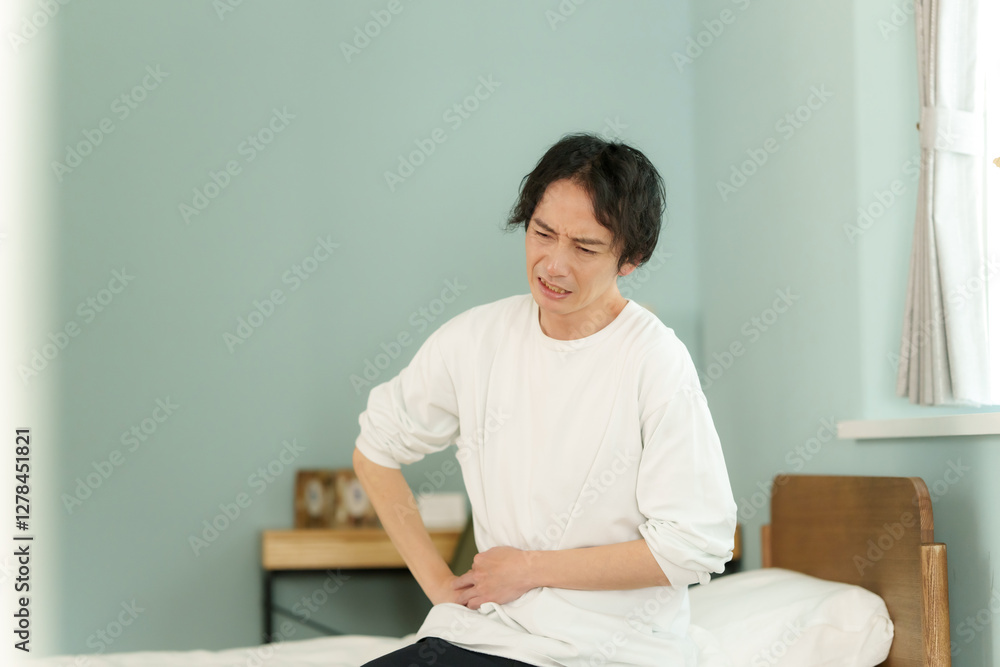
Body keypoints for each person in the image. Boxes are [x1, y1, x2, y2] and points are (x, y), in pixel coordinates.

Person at [355, 133, 737, 667]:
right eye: (542, 233)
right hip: (493, 636)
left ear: (631, 257)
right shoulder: (476, 340)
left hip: (617, 652)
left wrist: (529, 570)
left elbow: (694, 545)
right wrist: (441, 586)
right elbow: (375, 448)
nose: (554, 264)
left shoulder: (654, 359)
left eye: (585, 248)